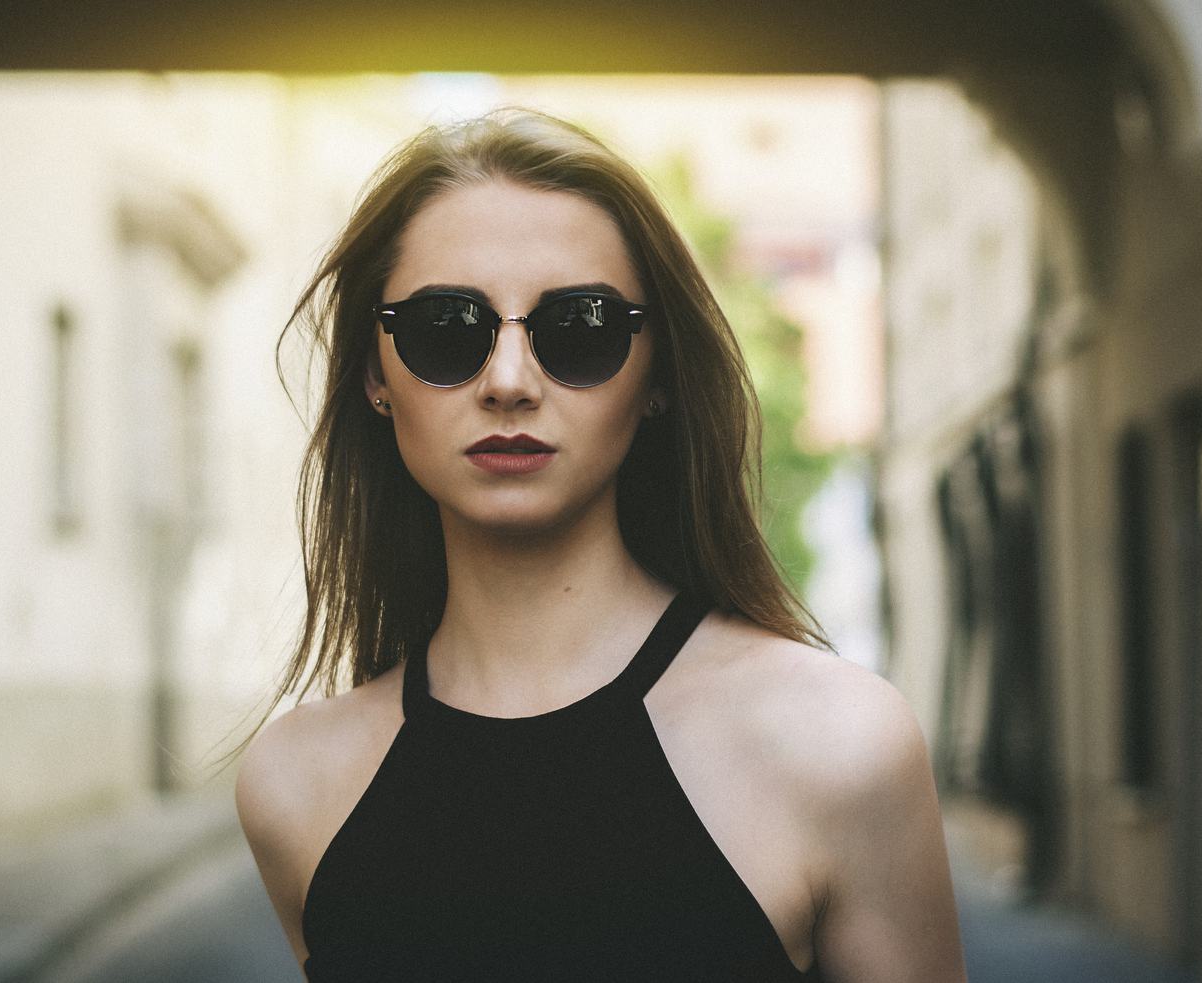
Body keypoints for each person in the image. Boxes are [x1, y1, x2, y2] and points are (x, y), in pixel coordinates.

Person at [233, 106, 967, 982]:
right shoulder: (296, 784)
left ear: (657, 372)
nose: (509, 382)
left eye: (579, 328)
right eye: (446, 328)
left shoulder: (842, 744)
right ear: (373, 375)